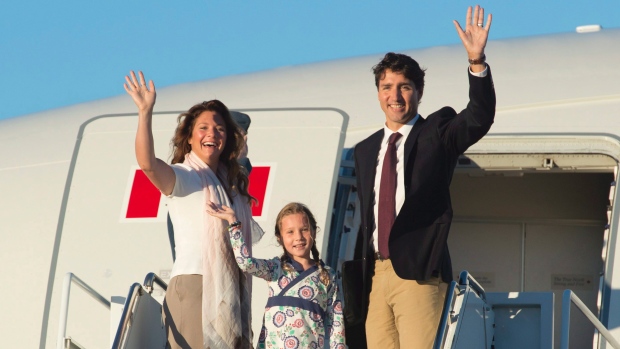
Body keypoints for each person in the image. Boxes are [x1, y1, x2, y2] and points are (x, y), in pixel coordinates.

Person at [352, 6, 496, 348]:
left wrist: (477, 62)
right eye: (387, 87)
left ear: (419, 91)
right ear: (378, 93)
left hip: (418, 271)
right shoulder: (364, 150)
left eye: (405, 87)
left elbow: (479, 117)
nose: (395, 95)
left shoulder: (437, 132)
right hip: (376, 274)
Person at [124, 71, 261, 349]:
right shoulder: (184, 176)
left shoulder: (231, 186)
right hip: (194, 285)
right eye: (203, 128)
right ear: (189, 137)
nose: (212, 134)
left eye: (220, 128)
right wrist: (144, 112)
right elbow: (148, 164)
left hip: (228, 290)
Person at [206, 202, 347, 349]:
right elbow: (246, 263)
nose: (298, 237)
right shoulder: (276, 268)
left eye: (304, 229)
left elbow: (335, 322)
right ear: (279, 237)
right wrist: (233, 223)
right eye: (290, 232)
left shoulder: (327, 275)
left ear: (314, 231)